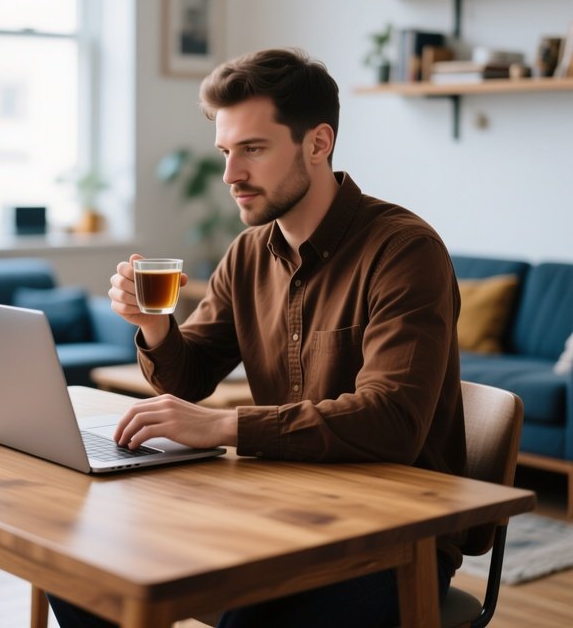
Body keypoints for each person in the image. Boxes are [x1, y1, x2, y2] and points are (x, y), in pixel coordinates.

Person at [48, 47, 466, 628]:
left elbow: (392, 421)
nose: (230, 175)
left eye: (253, 149)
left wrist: (225, 426)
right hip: (280, 508)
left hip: (390, 538)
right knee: (84, 571)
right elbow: (190, 377)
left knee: (248, 618)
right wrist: (154, 326)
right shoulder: (249, 253)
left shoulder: (404, 251)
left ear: (318, 144)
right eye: (225, 151)